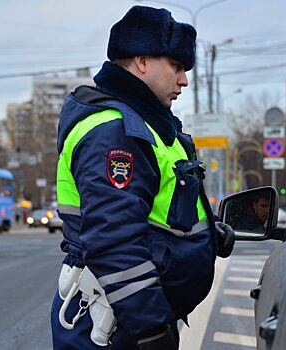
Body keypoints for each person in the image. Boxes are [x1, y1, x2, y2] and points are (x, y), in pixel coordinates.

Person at [50, 6, 235, 350]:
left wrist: (208, 234)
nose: (184, 80)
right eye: (177, 66)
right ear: (142, 61)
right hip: (117, 321)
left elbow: (159, 210)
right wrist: (151, 329)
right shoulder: (115, 131)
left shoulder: (150, 127)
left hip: (131, 315)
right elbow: (114, 239)